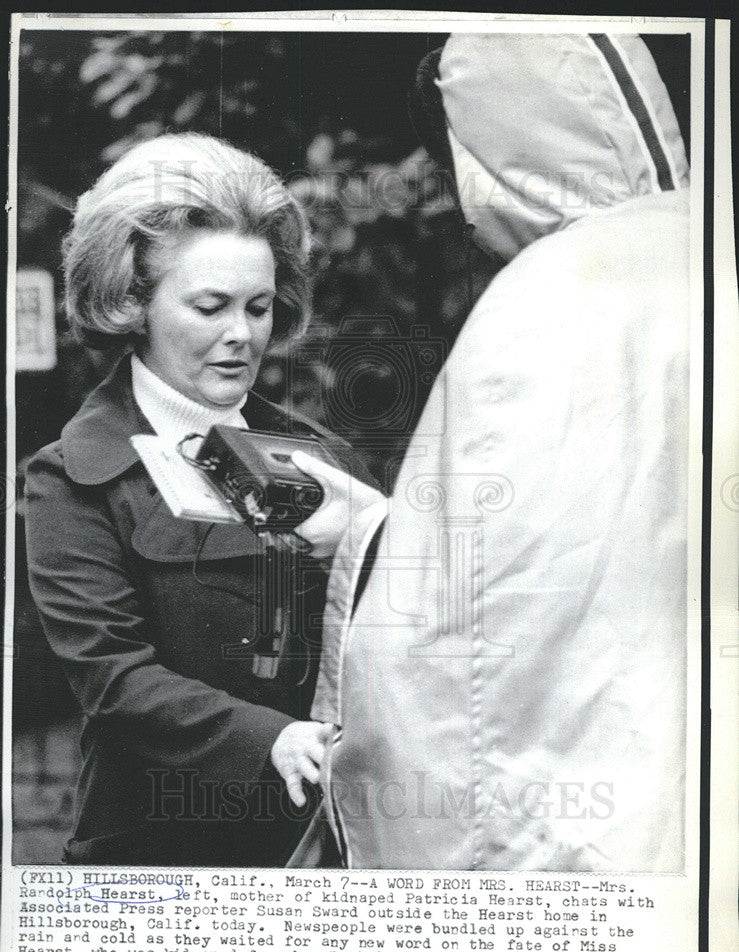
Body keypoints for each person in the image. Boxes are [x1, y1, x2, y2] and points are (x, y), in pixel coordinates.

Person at [294, 33, 690, 870]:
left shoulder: (548, 292)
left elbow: (462, 622)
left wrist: (365, 537)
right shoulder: (705, 247)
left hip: (589, 833)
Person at [24, 132, 382, 866]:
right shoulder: (71, 477)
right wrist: (271, 738)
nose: (240, 336)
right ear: (132, 304)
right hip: (154, 857)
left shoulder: (324, 460)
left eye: (257, 307)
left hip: (319, 853)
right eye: (211, 306)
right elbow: (111, 678)